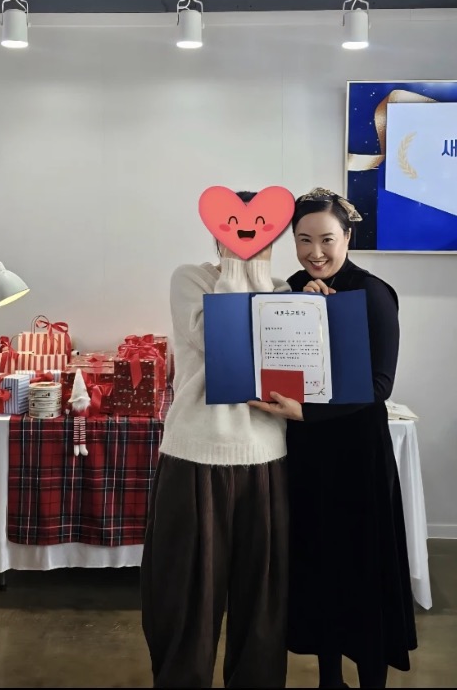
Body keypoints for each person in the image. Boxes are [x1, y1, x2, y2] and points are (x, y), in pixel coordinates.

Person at [248, 187, 417, 688]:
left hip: (356, 451)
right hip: (304, 451)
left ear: (347, 236)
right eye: (304, 240)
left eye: (327, 239)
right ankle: (328, 679)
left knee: (361, 565)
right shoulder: (291, 289)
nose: (315, 252)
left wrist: (310, 411)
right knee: (317, 561)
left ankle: (370, 679)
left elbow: (380, 384)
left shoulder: (373, 293)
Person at [140, 191, 292, 688]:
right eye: (237, 230)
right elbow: (220, 341)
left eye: (261, 232)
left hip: (265, 456)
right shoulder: (191, 279)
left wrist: (262, 276)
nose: (249, 240)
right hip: (195, 455)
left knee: (261, 605)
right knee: (186, 600)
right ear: (217, 232)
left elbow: (284, 361)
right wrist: (238, 269)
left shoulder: (284, 290)